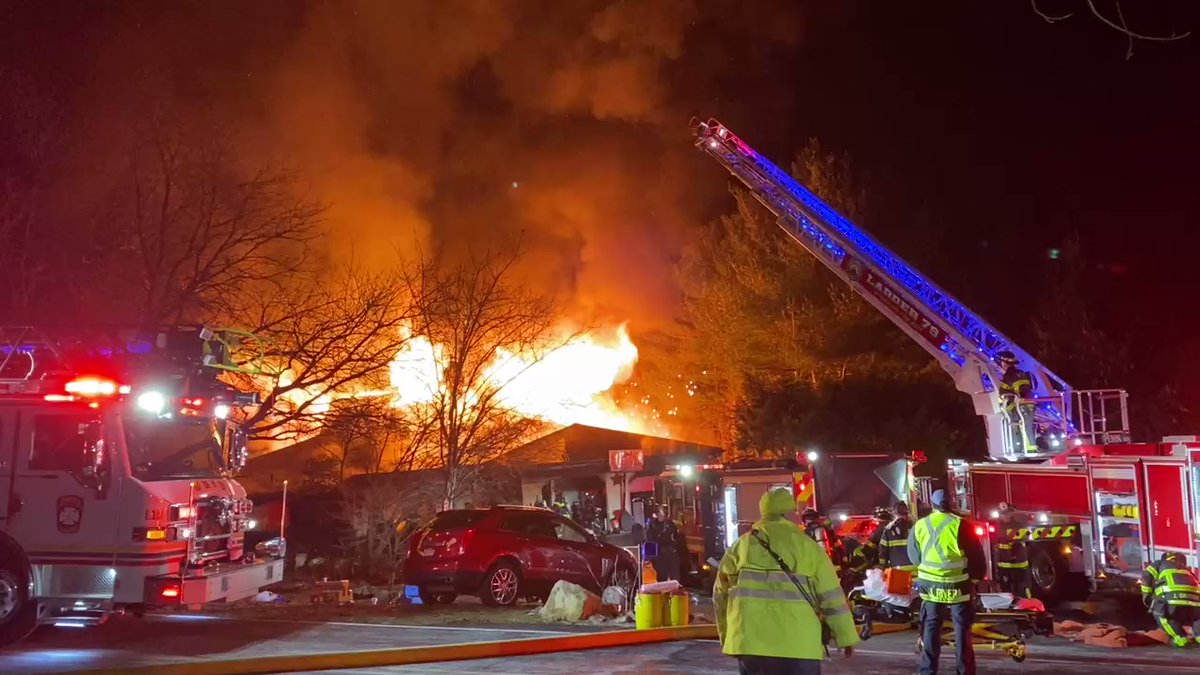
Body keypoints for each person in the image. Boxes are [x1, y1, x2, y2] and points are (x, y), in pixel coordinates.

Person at [715, 488, 859, 675]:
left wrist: (730, 637)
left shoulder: (740, 547)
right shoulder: (808, 548)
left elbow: (720, 596)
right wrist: (845, 636)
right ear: (791, 513)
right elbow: (832, 597)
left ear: (763, 511)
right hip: (800, 645)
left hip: (750, 645)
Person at [908, 489, 986, 675]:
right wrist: (975, 578)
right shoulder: (961, 525)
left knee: (932, 627)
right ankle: (965, 670)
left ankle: (927, 670)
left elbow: (914, 557)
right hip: (958, 584)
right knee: (961, 630)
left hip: (930, 586)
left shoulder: (920, 525)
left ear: (932, 505)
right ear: (951, 505)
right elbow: (977, 557)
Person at [1139, 551, 1200, 647]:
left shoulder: (1159, 564)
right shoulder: (1187, 570)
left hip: (1171, 598)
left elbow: (1146, 575)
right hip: (1195, 600)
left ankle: (1179, 638)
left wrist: (1147, 595)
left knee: (1160, 613)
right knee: (1196, 617)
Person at [996, 350, 1037, 455]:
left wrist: (1003, 406)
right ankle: (1030, 448)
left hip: (1021, 405)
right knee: (1028, 425)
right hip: (1030, 403)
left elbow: (1003, 394)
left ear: (1004, 363)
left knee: (1017, 425)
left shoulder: (1008, 376)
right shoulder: (1022, 373)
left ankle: (1022, 449)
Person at [994, 502, 1031, 599]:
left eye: (1007, 514)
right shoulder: (996, 528)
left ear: (1011, 514)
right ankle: (1010, 608)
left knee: (1022, 588)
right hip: (1004, 566)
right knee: (1006, 590)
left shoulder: (1019, 526)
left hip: (1020, 564)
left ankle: (1027, 606)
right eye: (1003, 514)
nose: (1005, 517)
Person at [647, 505, 680, 581]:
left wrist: (675, 550)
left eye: (662, 513)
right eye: (659, 513)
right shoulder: (652, 526)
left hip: (671, 554)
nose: (660, 515)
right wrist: (650, 557)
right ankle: (662, 591)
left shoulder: (671, 525)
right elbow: (650, 540)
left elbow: (676, 538)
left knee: (674, 578)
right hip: (659, 556)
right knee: (661, 577)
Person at [879, 502, 915, 572]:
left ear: (895, 513)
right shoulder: (916, 527)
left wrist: (882, 565)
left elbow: (883, 551)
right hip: (916, 570)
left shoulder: (888, 530)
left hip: (898, 572)